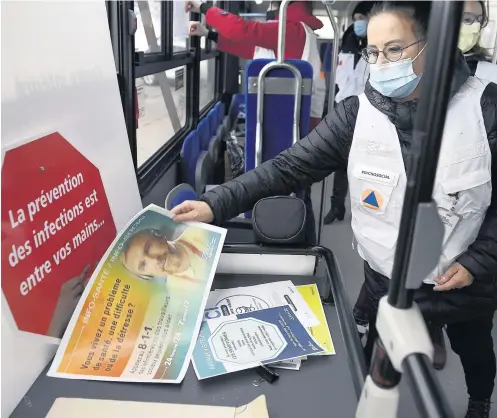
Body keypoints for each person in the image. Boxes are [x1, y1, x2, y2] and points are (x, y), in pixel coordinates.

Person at [173, 2, 497, 416]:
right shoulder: (355, 116)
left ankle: (480, 400)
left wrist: (480, 260)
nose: (381, 64)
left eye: (394, 50)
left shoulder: (485, 109)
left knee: (474, 349)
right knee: (376, 354)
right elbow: (286, 168)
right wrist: (213, 203)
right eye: (373, 52)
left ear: (433, 45)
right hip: (385, 277)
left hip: (465, 280)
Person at [186, 0, 326, 130]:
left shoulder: (292, 30)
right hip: (294, 115)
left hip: (293, 121)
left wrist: (204, 8)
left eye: (271, 5)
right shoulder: (297, 32)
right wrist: (208, 34)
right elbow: (249, 49)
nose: (268, 9)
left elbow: (242, 30)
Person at [324, 1, 375, 225]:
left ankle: (367, 212)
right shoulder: (347, 38)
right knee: (341, 160)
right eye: (356, 19)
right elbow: (339, 75)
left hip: (372, 109)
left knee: (368, 163)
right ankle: (337, 206)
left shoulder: (379, 43)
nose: (358, 24)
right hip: (345, 106)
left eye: (362, 18)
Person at [120, 227, 208, 285]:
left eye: (148, 248)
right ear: (148, 276)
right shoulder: (177, 294)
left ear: (158, 235)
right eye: (143, 265)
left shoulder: (200, 230)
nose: (154, 260)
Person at [460, 0, 497, 83]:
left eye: (480, 21)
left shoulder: (488, 71)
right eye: (467, 19)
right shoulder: (427, 60)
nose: (476, 28)